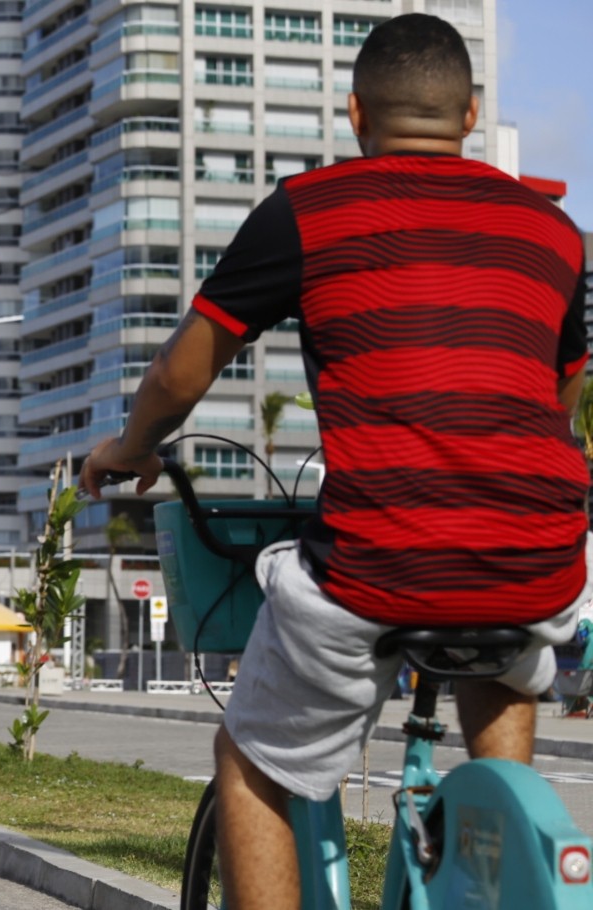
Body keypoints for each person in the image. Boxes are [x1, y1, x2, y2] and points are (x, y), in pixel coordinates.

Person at [80, 14, 588, 910]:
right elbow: (562, 399)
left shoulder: (310, 210)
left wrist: (131, 448)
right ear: (471, 115)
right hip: (539, 555)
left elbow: (178, 373)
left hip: (380, 559)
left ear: (356, 113)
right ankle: (504, 850)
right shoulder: (556, 233)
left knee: (250, 761)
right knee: (503, 646)